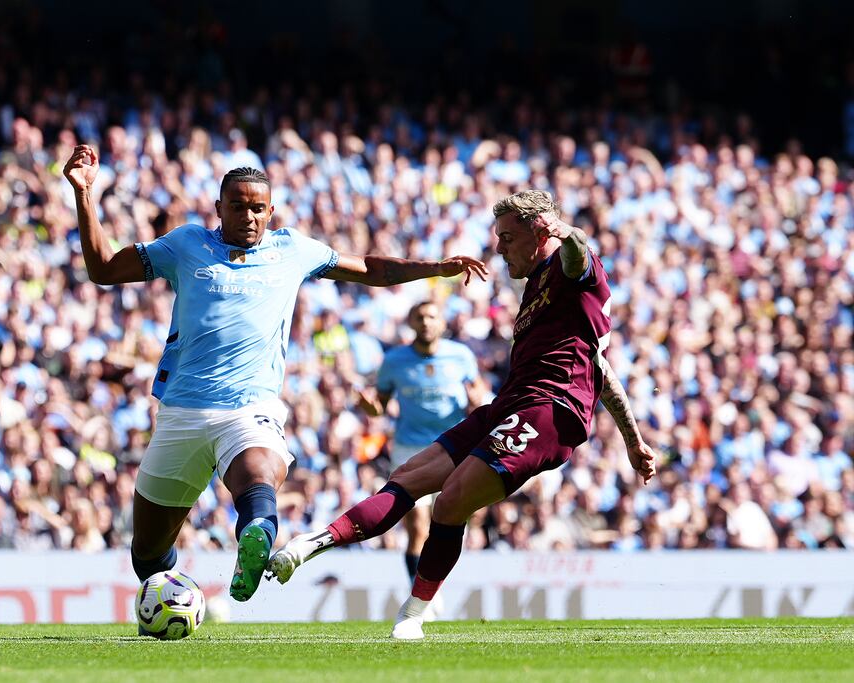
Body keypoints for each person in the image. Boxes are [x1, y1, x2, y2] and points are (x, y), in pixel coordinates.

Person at [61, 145, 487, 607]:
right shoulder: (185, 245)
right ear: (219, 208)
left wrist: (434, 269)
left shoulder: (293, 250)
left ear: (271, 211)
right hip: (182, 411)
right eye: (238, 206)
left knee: (258, 477)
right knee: (146, 553)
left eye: (258, 208)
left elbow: (368, 268)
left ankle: (257, 536)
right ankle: (174, 601)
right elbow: (103, 268)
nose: (249, 216)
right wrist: (85, 194)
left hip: (250, 409)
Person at [267, 190, 657, 638]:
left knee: (450, 501)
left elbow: (578, 253)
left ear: (540, 231)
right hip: (510, 403)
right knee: (408, 477)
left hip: (550, 409)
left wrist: (569, 232)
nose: (498, 248)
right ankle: (311, 544)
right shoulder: (536, 289)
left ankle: (413, 615)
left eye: (508, 238)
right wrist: (633, 439)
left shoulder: (575, 272)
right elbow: (600, 368)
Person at [356, 301, 484, 591]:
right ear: (411, 323)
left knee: (451, 519)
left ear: (442, 323)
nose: (426, 322)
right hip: (409, 449)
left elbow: (476, 397)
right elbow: (380, 407)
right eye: (420, 317)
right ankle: (422, 594)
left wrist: (477, 402)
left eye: (432, 316)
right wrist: (369, 407)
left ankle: (434, 583)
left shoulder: (460, 356)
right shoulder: (394, 360)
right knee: (417, 527)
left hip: (454, 446)